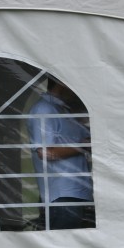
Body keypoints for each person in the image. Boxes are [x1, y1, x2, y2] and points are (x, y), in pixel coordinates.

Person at [27, 79, 94, 231]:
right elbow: (46, 152)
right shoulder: (44, 109)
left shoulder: (63, 111)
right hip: (61, 196)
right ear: (62, 83)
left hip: (77, 192)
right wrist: (84, 146)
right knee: (64, 246)